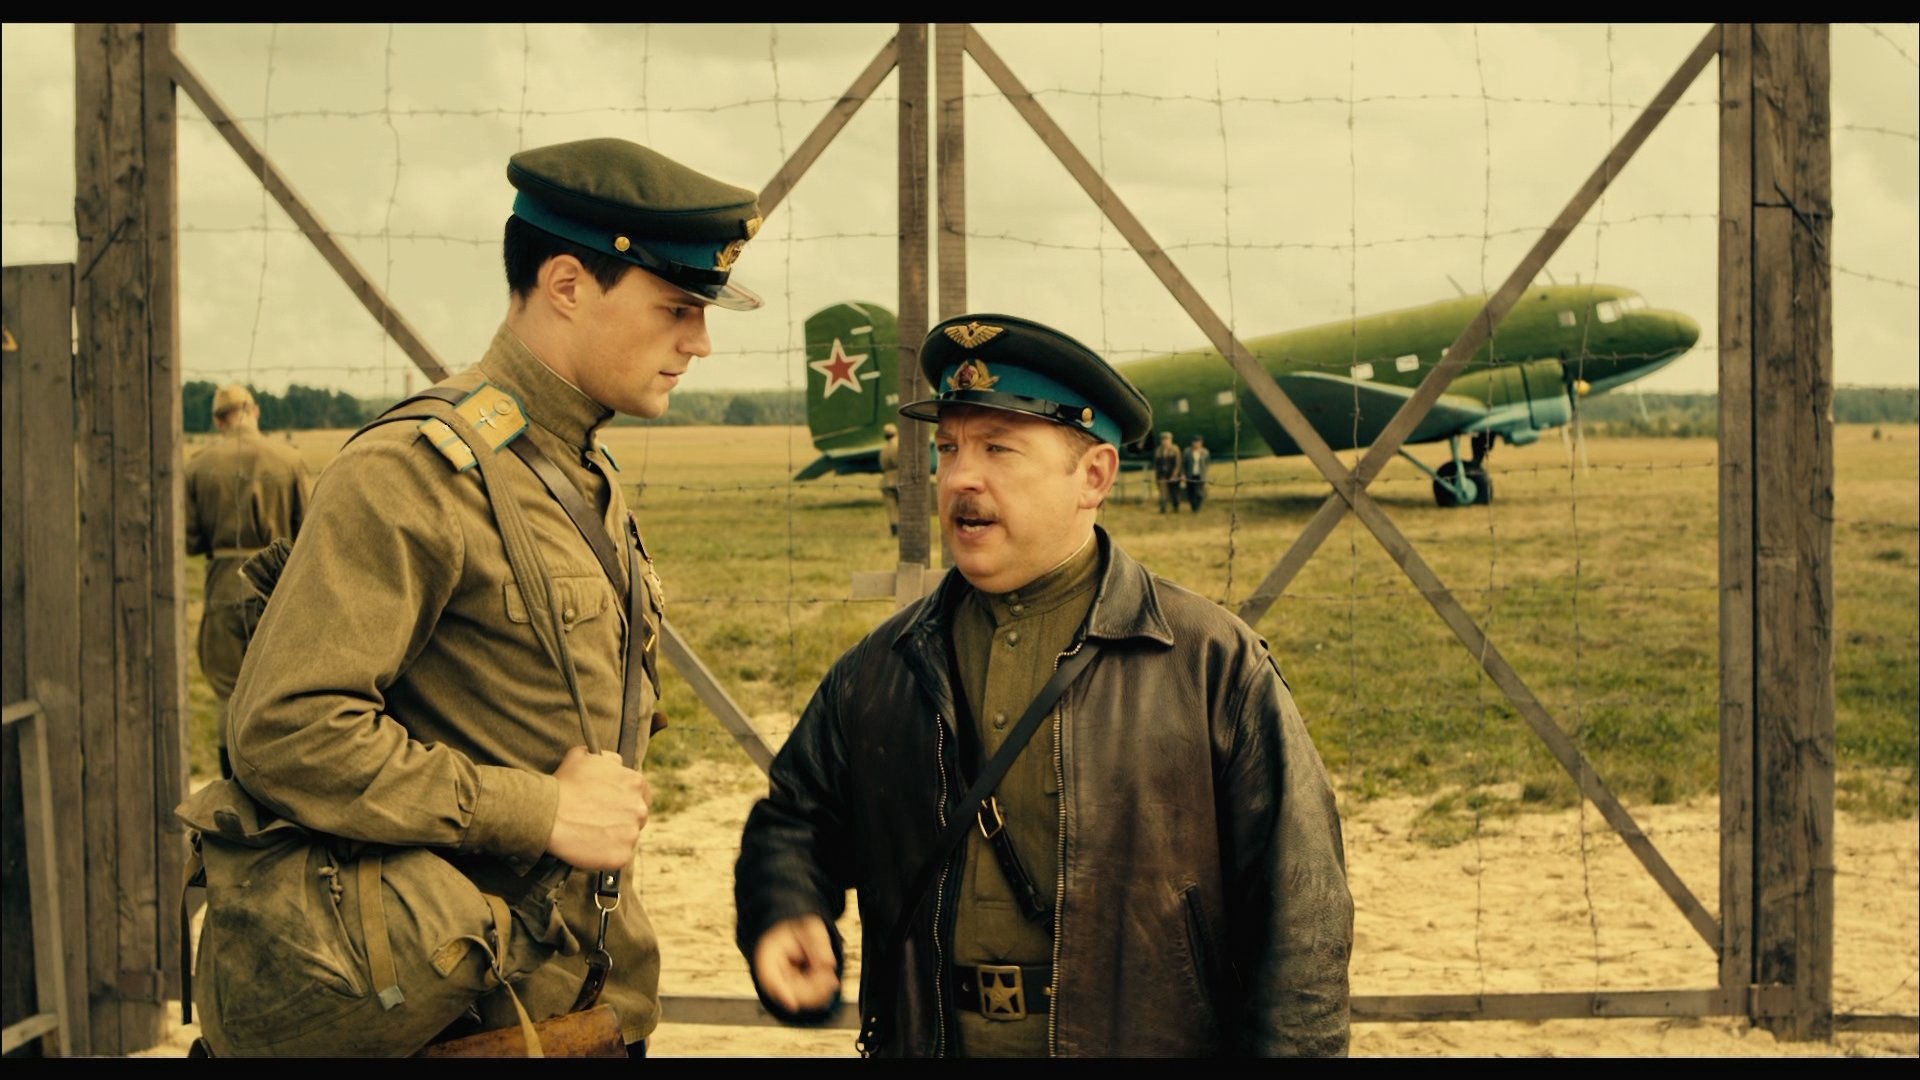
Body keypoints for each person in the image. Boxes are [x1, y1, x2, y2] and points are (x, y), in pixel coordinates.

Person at [213, 136, 765, 1057]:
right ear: (567, 284)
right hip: (462, 1021)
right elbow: (285, 729)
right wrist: (539, 811)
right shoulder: (413, 473)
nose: (699, 341)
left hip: (580, 1008)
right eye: (676, 308)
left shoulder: (574, 465)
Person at [734, 313, 1353, 1057]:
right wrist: (787, 907)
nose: (960, 477)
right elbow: (796, 819)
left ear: (1093, 476)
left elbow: (1303, 917)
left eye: (999, 448)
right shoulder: (882, 667)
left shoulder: (1210, 664)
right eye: (949, 448)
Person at [183, 383, 313, 780]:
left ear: (218, 420)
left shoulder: (198, 465)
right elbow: (307, 530)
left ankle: (232, 782)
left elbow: (190, 540)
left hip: (223, 585)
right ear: (254, 411)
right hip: (276, 586)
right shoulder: (289, 459)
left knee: (228, 691)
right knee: (280, 689)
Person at [1151, 429, 1183, 513]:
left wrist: (1174, 475)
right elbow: (1156, 464)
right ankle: (1163, 508)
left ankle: (1176, 507)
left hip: (1173, 475)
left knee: (1174, 492)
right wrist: (1157, 476)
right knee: (1163, 493)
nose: (1165, 442)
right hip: (1162, 475)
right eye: (1163, 440)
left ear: (1170, 440)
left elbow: (1178, 463)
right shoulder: (1158, 450)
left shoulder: (1175, 449)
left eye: (1167, 439)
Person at [879, 422, 901, 537]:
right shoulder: (899, 445)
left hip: (887, 480)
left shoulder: (884, 449)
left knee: (891, 509)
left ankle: (894, 530)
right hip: (900, 478)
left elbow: (882, 466)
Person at [1182, 433, 1213, 511]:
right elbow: (1183, 464)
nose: (1196, 444)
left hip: (1200, 475)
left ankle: (1197, 507)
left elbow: (1207, 463)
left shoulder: (1205, 452)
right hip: (1190, 475)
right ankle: (1193, 507)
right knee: (1191, 492)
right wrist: (1183, 474)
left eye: (1198, 442)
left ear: (1201, 443)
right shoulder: (1187, 452)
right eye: (1195, 442)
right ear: (1192, 443)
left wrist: (1206, 474)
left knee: (1199, 493)